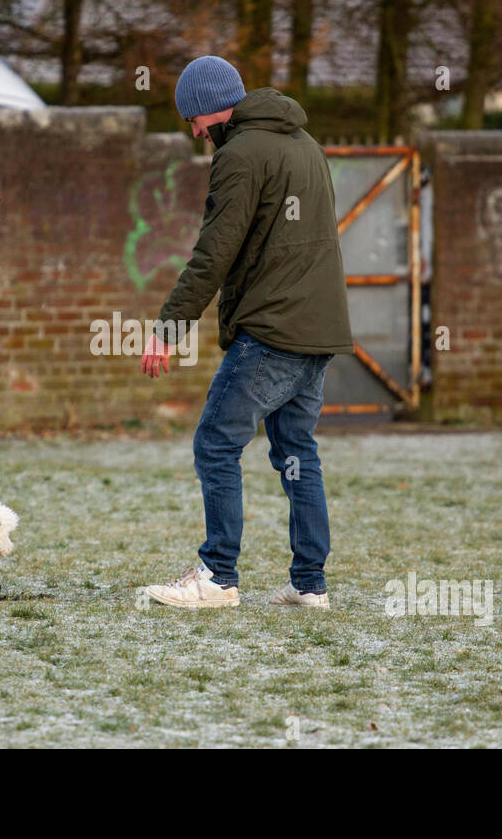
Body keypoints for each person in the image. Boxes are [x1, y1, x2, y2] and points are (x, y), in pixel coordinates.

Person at [140, 55, 352, 610]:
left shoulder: (240, 155)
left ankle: (217, 577)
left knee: (215, 442)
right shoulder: (305, 144)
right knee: (296, 452)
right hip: (318, 329)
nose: (193, 132)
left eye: (193, 121)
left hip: (273, 329)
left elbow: (213, 254)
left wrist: (168, 328)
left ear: (212, 109)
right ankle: (310, 584)